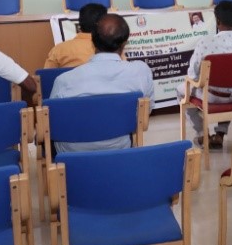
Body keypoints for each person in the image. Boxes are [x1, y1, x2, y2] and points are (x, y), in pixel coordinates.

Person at [50, 13, 155, 153]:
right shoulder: (141, 71)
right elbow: (144, 114)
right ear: (124, 43)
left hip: (72, 156)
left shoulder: (64, 80)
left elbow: (52, 123)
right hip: (120, 148)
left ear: (92, 41)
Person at [178, 0, 232, 149]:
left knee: (180, 90)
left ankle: (202, 135)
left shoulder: (205, 43)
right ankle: (220, 134)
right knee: (230, 80)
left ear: (217, 20)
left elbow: (192, 76)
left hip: (213, 96)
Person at [44, 2, 107, 68]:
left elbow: (47, 76)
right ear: (104, 25)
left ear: (79, 24)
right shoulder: (112, 49)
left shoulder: (58, 50)